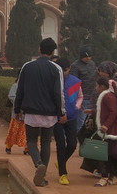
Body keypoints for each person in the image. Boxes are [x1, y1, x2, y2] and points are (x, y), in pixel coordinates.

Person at [13, 38, 66, 186]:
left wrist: (17, 109)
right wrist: (61, 112)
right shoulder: (56, 69)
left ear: (39, 50)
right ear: (53, 52)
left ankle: (38, 164)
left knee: (31, 141)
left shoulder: (27, 66)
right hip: (49, 112)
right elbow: (59, 93)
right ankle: (42, 177)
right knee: (46, 142)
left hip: (31, 110)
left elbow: (20, 90)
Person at [93, 75, 117, 186]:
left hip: (111, 132)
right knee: (113, 155)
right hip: (114, 131)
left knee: (105, 155)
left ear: (102, 86)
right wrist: (92, 112)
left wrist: (105, 126)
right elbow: (105, 112)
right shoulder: (110, 96)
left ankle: (104, 177)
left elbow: (112, 112)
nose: (95, 88)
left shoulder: (107, 97)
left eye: (96, 86)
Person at [54, 57, 81, 185]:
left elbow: (80, 97)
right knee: (60, 145)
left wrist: (77, 106)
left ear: (69, 69)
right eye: (61, 70)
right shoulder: (52, 82)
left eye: (65, 70)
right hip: (57, 118)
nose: (63, 73)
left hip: (71, 117)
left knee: (72, 144)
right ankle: (63, 173)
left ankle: (61, 161)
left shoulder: (75, 82)